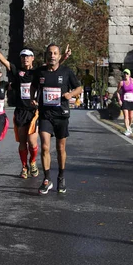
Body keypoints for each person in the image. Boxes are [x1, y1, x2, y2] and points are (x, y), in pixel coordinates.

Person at [30, 43, 82, 195]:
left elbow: (78, 87)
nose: (52, 55)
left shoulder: (66, 72)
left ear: (59, 56)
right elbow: (33, 86)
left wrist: (71, 95)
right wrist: (33, 98)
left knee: (60, 148)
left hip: (61, 114)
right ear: (46, 56)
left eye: (55, 53)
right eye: (50, 53)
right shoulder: (40, 72)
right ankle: (47, 179)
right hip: (45, 114)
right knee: (45, 146)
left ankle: (61, 176)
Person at [0, 40, 40, 179]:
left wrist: (64, 57)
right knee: (22, 142)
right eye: (23, 56)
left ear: (32, 58)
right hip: (20, 111)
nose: (25, 58)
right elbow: (4, 62)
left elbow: (52, 65)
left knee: (32, 142)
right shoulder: (17, 71)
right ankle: (24, 167)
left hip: (33, 111)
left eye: (28, 56)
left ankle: (33, 161)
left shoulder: (37, 73)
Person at [116, 68, 133, 136]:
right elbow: (117, 92)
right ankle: (127, 129)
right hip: (124, 100)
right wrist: (119, 100)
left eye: (127, 73)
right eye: (124, 73)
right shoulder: (121, 83)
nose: (126, 75)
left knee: (131, 117)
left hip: (132, 100)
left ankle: (129, 126)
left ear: (129, 74)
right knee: (126, 116)